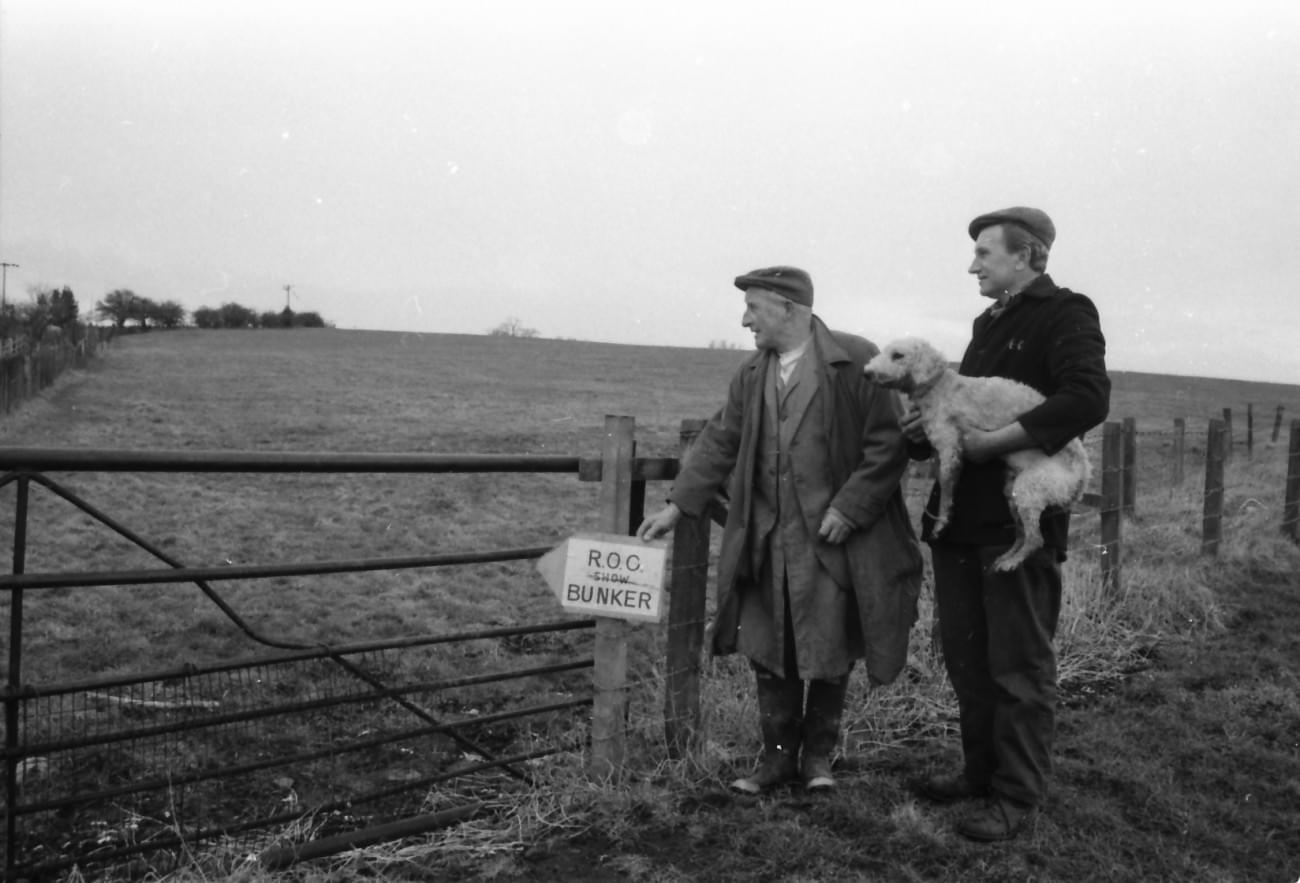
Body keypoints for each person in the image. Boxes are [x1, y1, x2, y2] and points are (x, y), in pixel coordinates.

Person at [638, 265, 922, 794]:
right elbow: (722, 439)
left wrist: (850, 508)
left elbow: (888, 444)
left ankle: (818, 760)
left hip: (834, 543)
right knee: (770, 646)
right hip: (768, 541)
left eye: (754, 308)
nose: (745, 320)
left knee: (831, 645)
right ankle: (775, 761)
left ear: (789, 309)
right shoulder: (751, 374)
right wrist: (679, 506)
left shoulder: (856, 359)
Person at [906, 207, 1109, 841]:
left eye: (984, 254)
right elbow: (961, 409)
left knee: (1018, 666)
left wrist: (992, 446)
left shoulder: (1067, 312)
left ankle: (1015, 797)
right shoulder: (985, 324)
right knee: (967, 659)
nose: (973, 265)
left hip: (1017, 528)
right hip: (961, 524)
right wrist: (924, 431)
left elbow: (1085, 399)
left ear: (1026, 256)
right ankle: (978, 775)